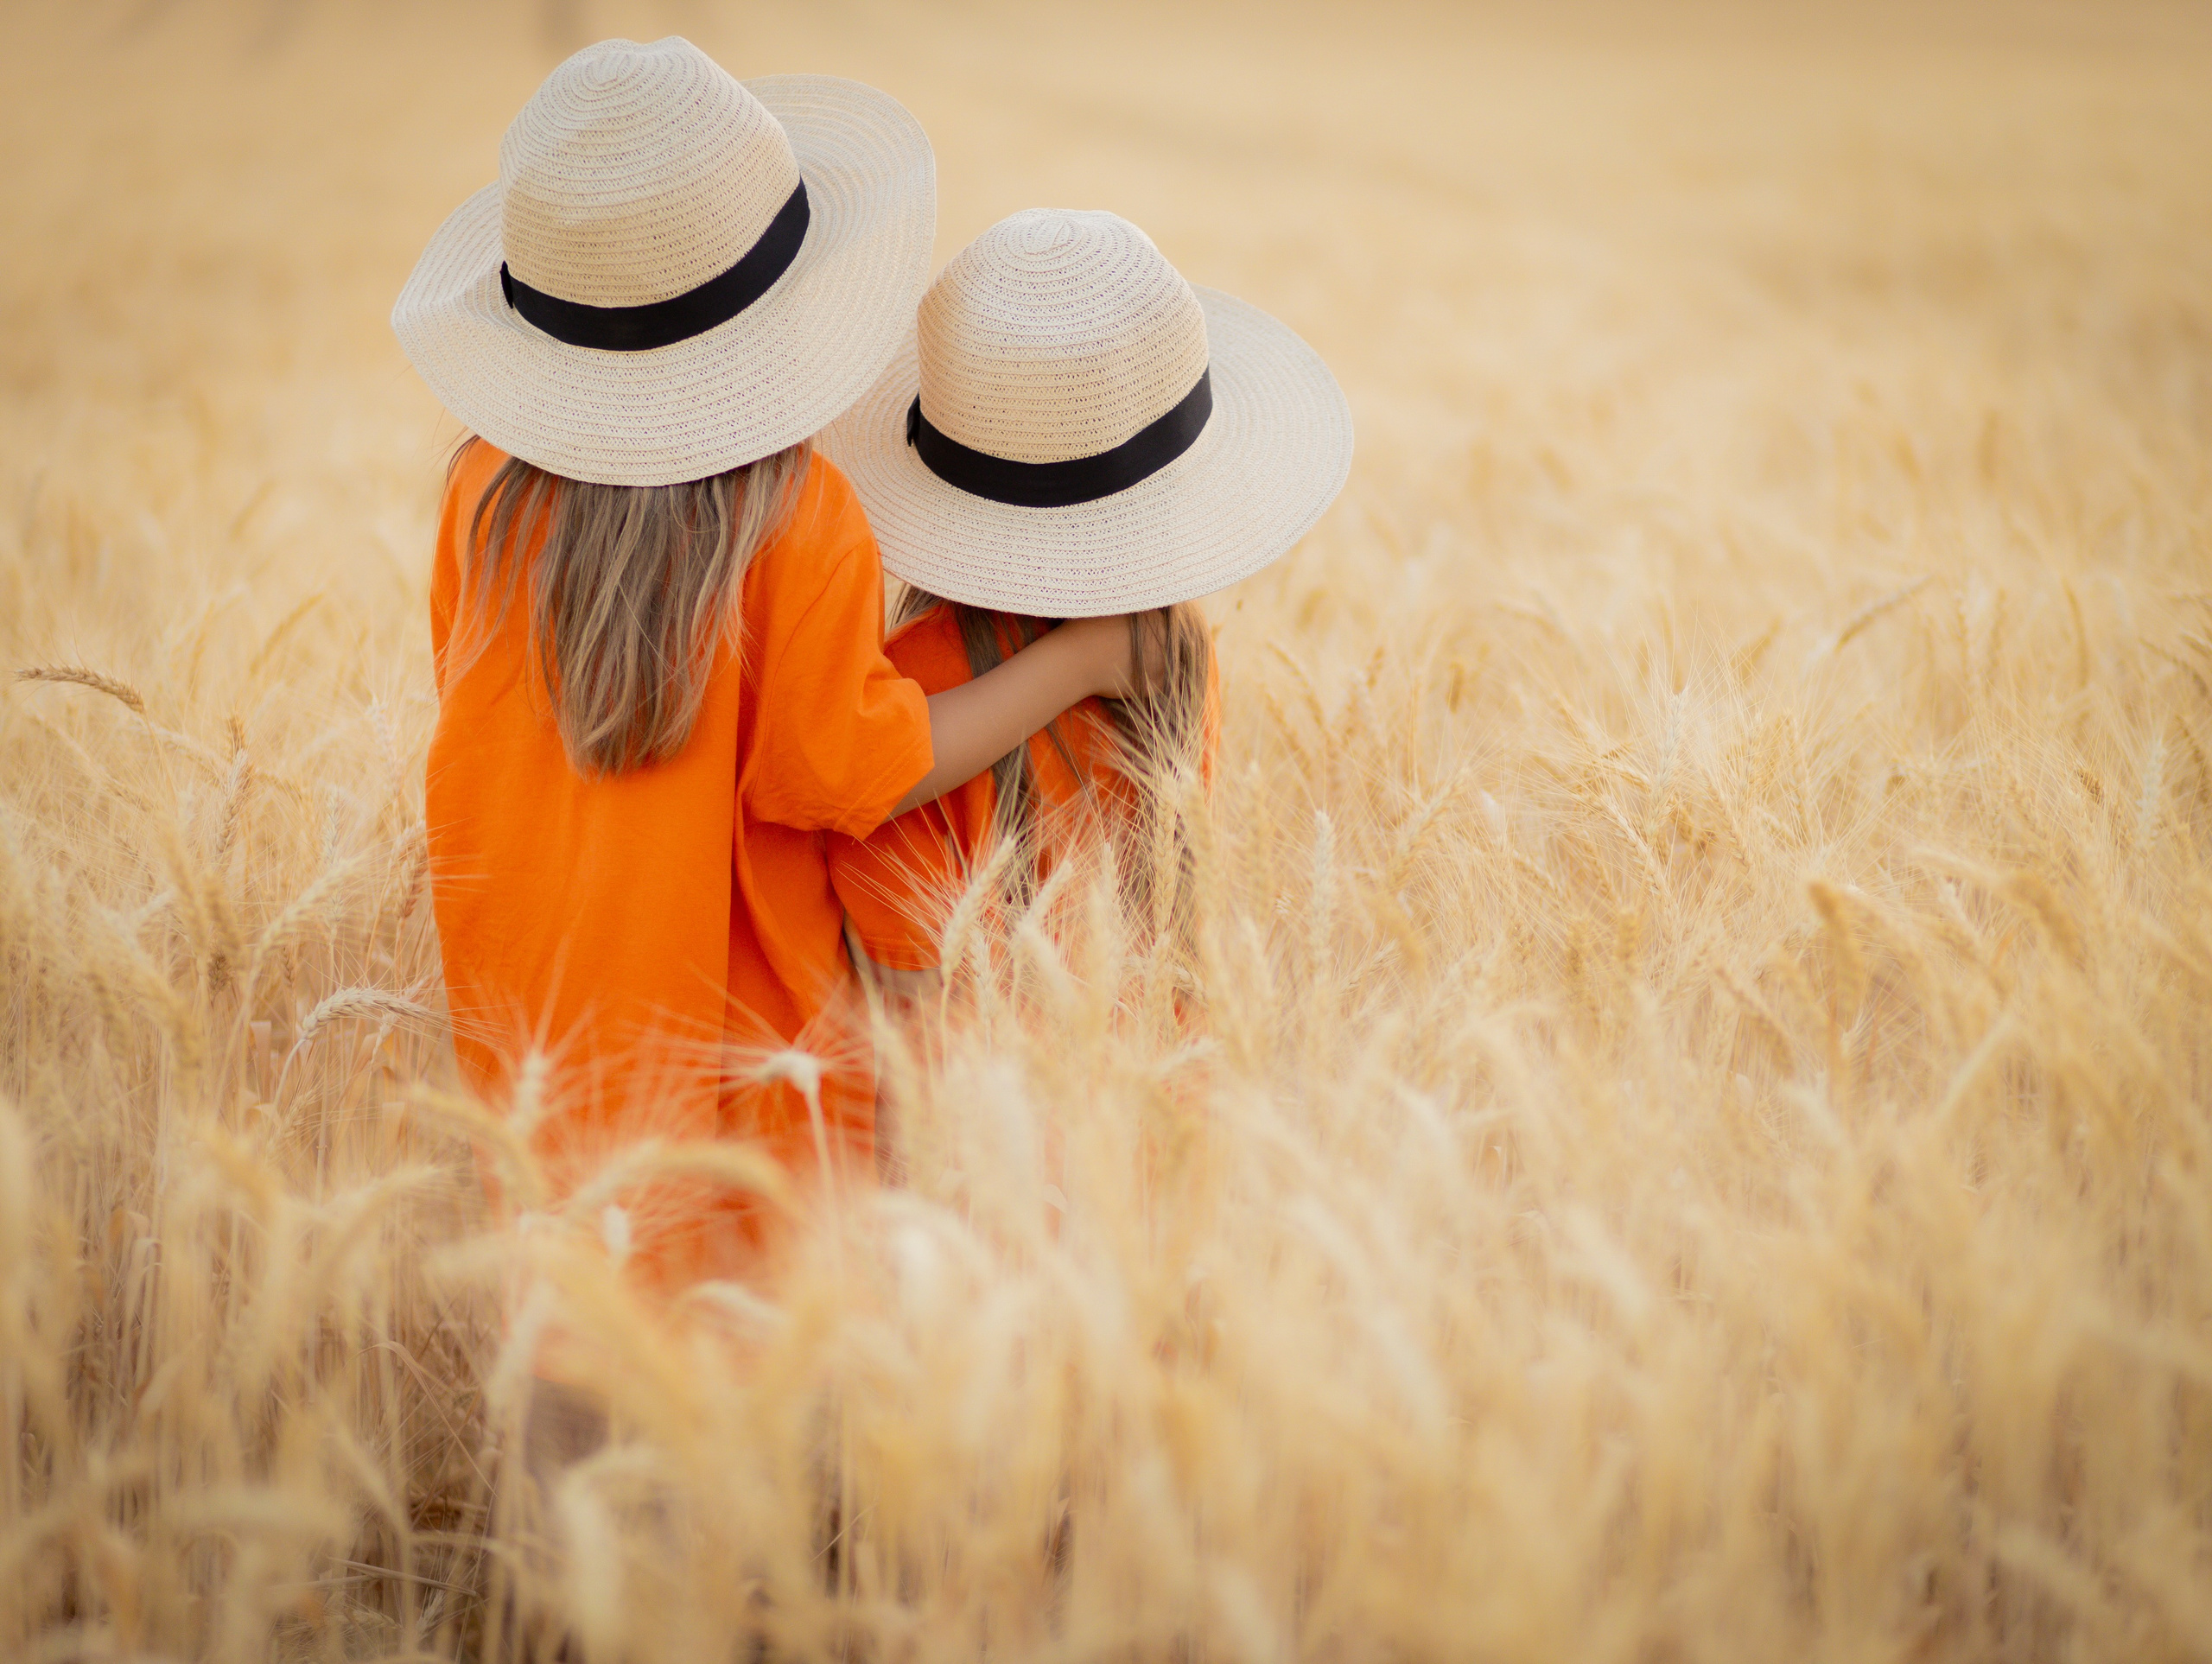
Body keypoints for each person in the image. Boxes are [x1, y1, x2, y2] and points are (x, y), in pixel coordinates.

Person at [390, 41, 1155, 1315]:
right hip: (741, 1039)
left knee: (576, 1331)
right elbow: (849, 768)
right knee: (729, 1368)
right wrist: (1081, 657)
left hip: (535, 1001)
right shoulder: (797, 515)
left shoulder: (481, 491)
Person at [822, 209, 1354, 988]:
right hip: (1155, 1092)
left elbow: (906, 1009)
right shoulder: (1173, 650)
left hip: (971, 1099)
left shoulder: (907, 686)